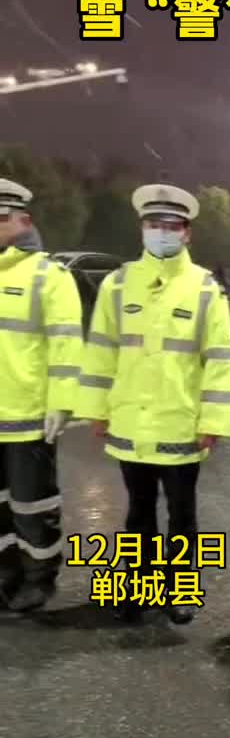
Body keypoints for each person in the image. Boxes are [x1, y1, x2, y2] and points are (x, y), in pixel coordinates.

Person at [75, 182, 230, 624]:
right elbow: (101, 350)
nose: (162, 232)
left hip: (181, 422)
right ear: (142, 228)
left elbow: (219, 360)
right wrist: (96, 409)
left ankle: (179, 590)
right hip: (130, 421)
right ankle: (139, 588)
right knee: (138, 513)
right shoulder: (117, 284)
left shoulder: (204, 288)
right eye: (154, 224)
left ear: (187, 233)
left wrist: (213, 420)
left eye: (171, 226)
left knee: (182, 515)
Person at [0, 178, 83, 613]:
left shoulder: (49, 276)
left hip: (28, 417)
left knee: (32, 505)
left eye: (1, 218)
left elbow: (66, 345)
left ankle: (39, 578)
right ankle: (5, 575)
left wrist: (62, 404)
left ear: (25, 221)